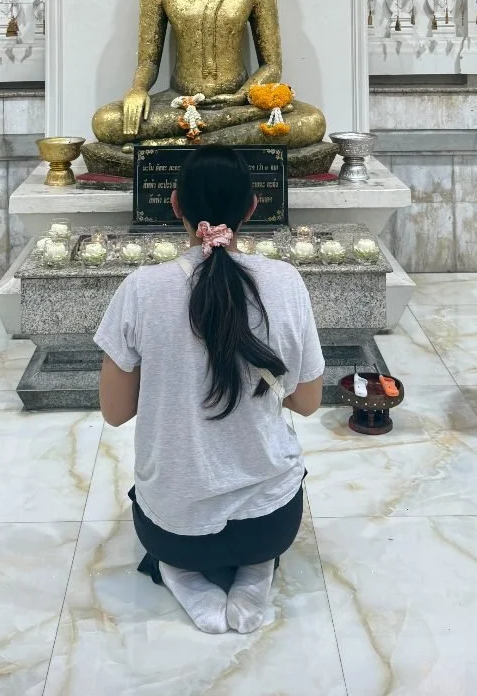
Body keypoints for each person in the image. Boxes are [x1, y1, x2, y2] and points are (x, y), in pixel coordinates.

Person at [94, 146, 324, 634]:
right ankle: (257, 567)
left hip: (173, 530)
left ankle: (180, 571)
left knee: (171, 526)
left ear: (174, 204)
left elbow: (114, 412)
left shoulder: (142, 288)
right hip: (274, 524)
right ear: (253, 207)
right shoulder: (285, 282)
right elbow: (307, 401)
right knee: (260, 522)